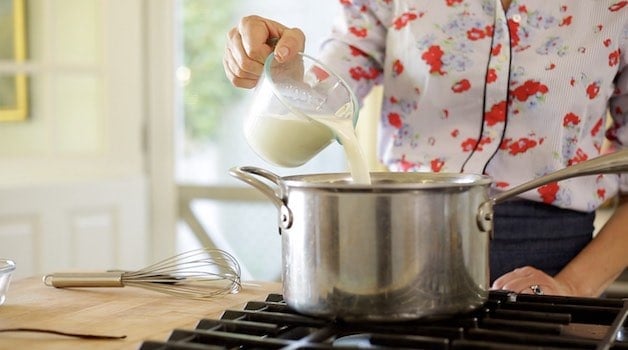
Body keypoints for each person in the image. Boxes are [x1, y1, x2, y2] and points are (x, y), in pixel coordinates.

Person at [223, 1, 628, 297]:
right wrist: (286, 71)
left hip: (551, 264)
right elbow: (330, 89)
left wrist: (572, 285)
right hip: (401, 247)